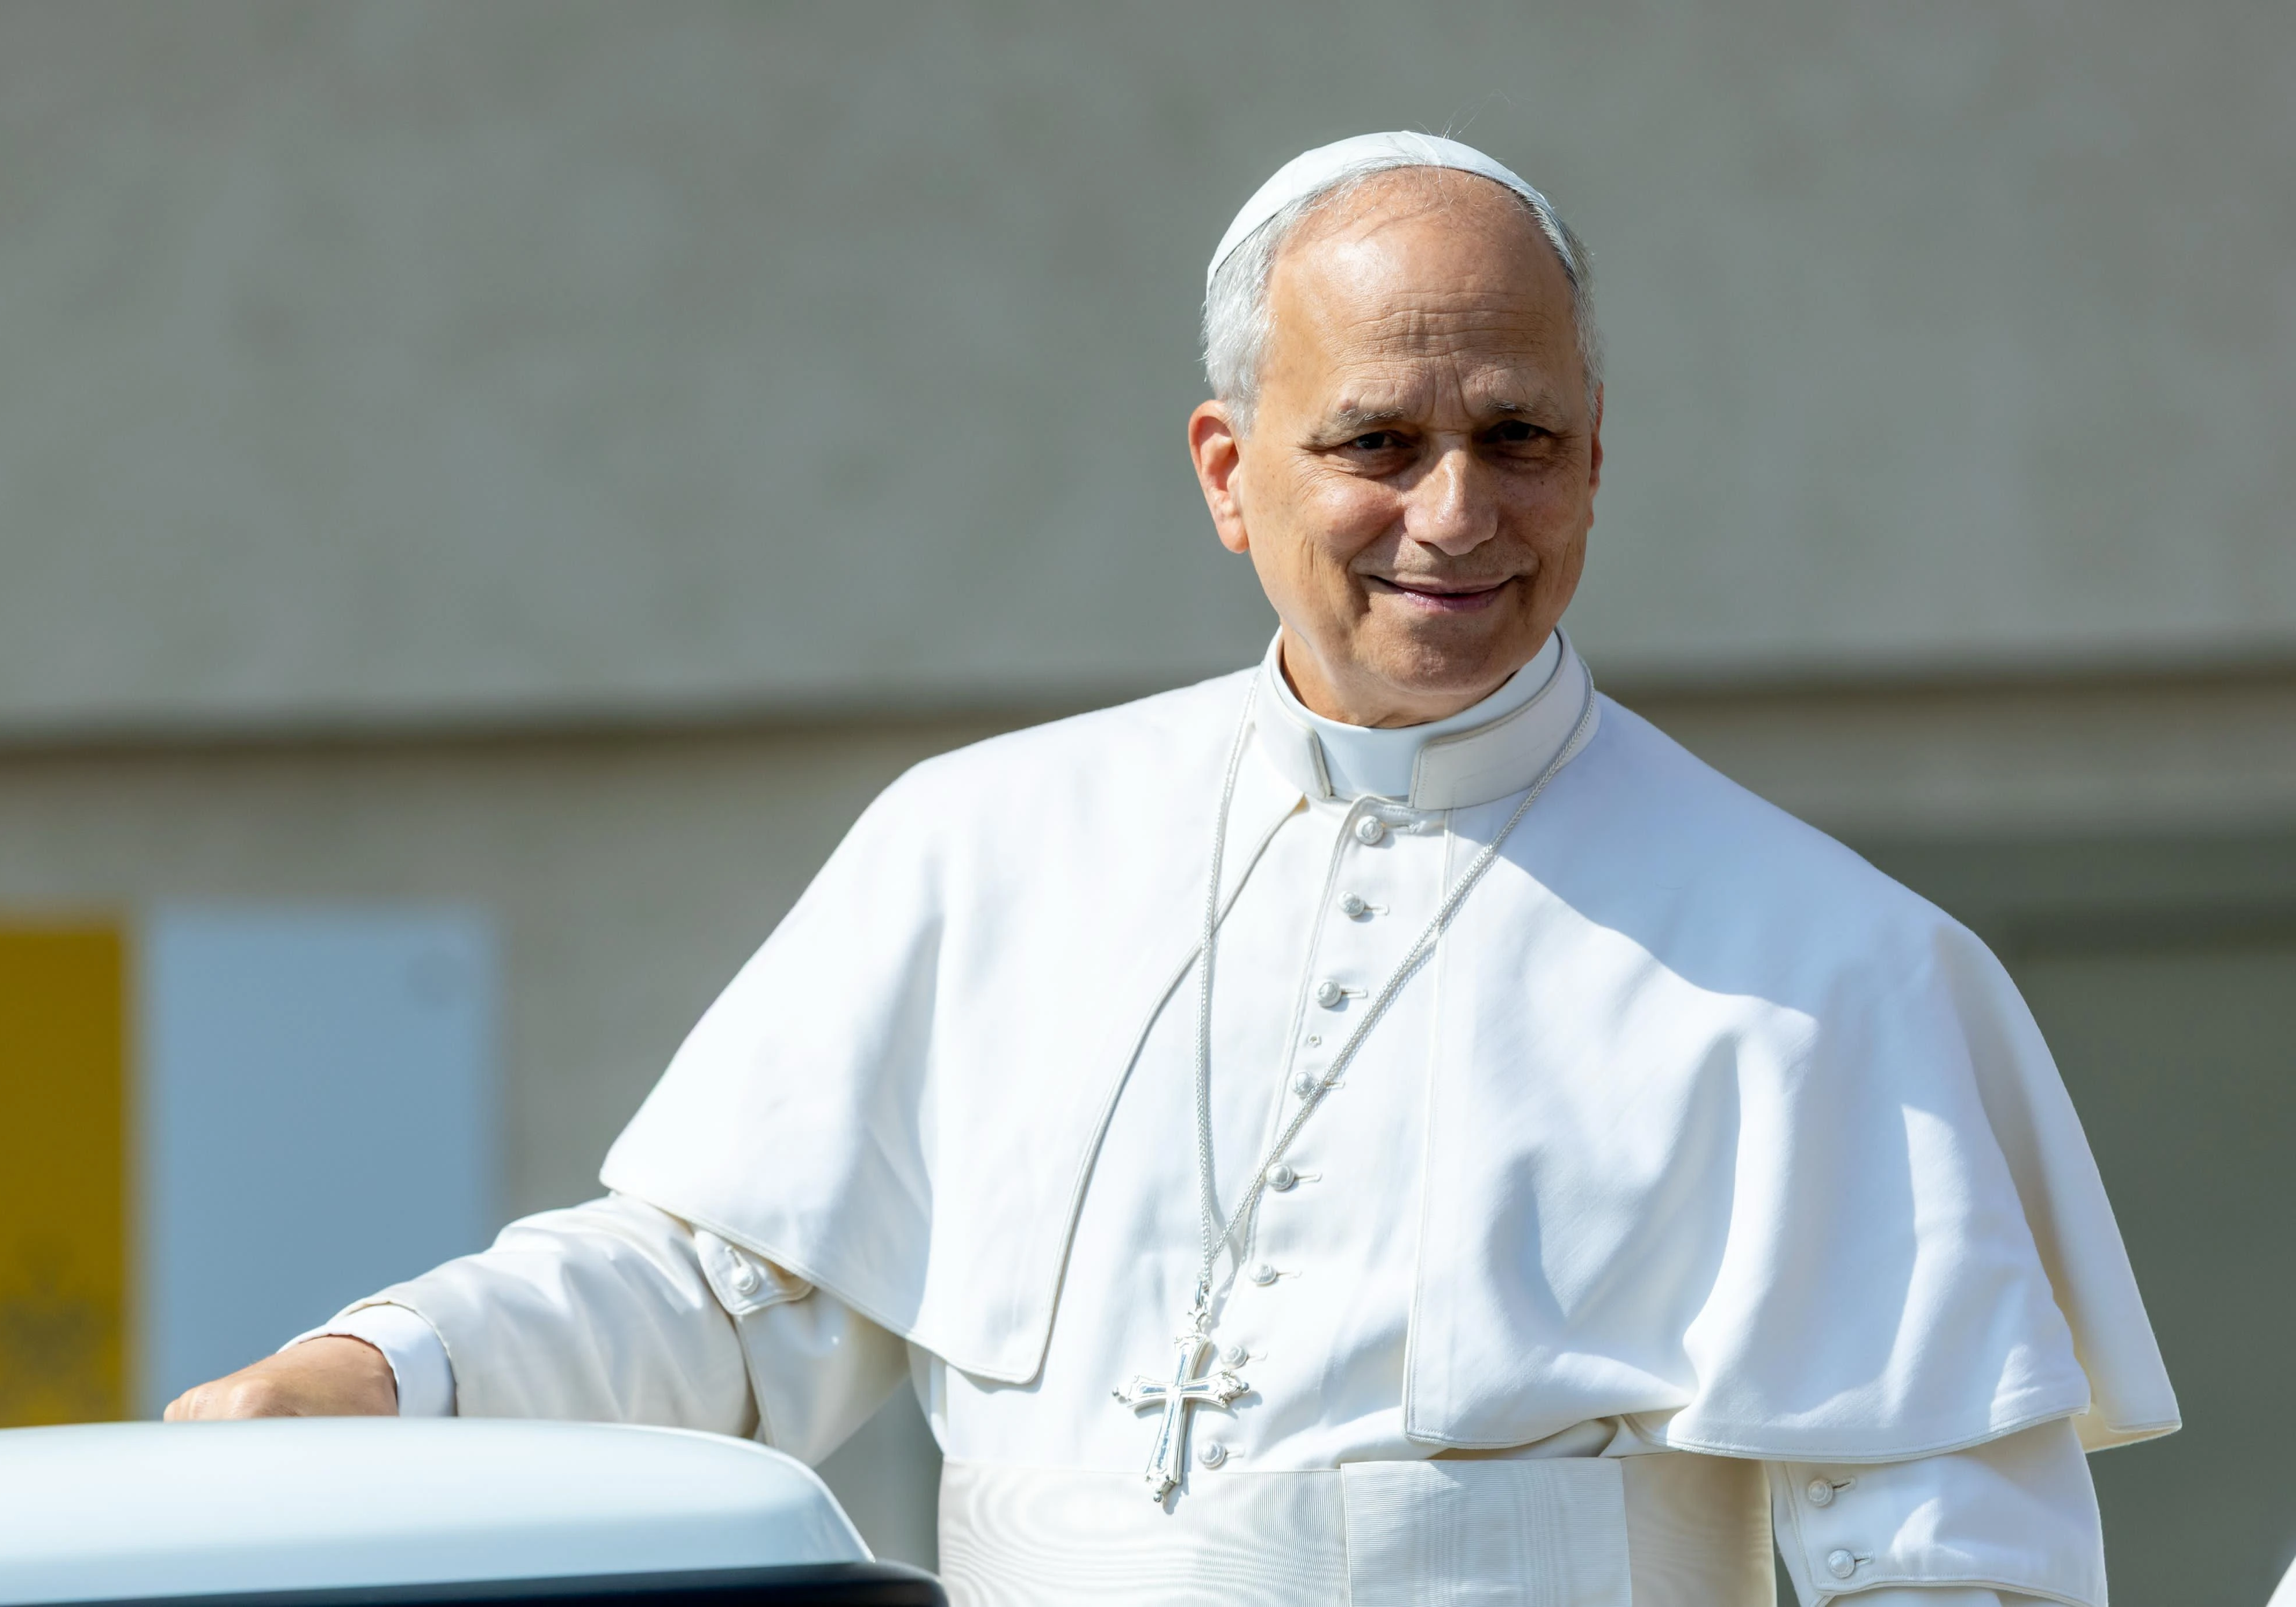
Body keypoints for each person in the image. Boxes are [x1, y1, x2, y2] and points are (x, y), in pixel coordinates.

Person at [170, 132, 2176, 1606]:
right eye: (1376, 441)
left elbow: (1945, 1574)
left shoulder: (1833, 969)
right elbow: (722, 1289)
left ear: (1596, 456)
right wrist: (381, 1374)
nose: (1455, 514)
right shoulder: (985, 846)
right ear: (1232, 470)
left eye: (1522, 439)